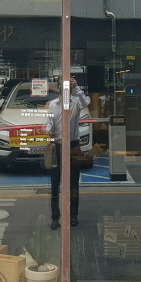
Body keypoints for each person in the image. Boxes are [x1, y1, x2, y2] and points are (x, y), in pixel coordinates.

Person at [45, 76, 90, 230]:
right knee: (55, 183)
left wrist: (77, 87)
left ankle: (73, 215)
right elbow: (49, 124)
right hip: (58, 145)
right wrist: (49, 132)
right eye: (63, 87)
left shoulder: (75, 102)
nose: (66, 90)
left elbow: (85, 103)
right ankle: (55, 217)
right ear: (58, 89)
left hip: (73, 145)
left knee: (73, 183)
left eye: (69, 88)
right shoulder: (52, 104)